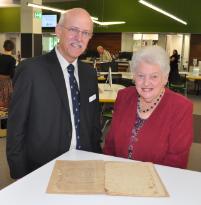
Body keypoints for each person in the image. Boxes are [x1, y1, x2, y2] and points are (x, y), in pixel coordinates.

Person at [7, 8, 102, 179]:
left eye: (85, 33)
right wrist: (20, 176)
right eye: (73, 30)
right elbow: (16, 128)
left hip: (85, 164)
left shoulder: (89, 74)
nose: (79, 38)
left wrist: (96, 158)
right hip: (43, 168)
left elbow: (94, 123)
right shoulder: (31, 70)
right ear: (58, 31)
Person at [103, 46, 193, 169]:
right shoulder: (124, 97)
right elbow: (110, 145)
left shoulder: (181, 107)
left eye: (154, 76)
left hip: (157, 181)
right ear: (134, 77)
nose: (146, 83)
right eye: (141, 76)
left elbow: (176, 161)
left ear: (165, 78)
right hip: (118, 176)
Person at [0, 40, 16, 109]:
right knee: (6, 101)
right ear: (12, 49)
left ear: (4, 47)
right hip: (6, 82)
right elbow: (12, 74)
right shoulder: (12, 59)